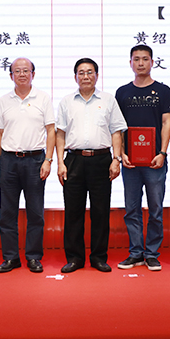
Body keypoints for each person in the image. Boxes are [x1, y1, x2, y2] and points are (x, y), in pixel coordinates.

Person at [56, 58, 127, 273]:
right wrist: (60, 162)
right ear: (75, 76)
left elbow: (116, 131)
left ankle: (98, 257)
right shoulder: (66, 101)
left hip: (101, 160)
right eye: (81, 72)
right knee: (73, 212)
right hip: (74, 160)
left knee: (101, 212)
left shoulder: (108, 100)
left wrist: (116, 159)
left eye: (89, 72)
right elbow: (60, 134)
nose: (85, 76)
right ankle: (75, 258)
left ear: (97, 75)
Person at [0, 58, 55, 273]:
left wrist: (48, 160)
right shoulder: (4, 100)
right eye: (17, 71)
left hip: (35, 160)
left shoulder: (43, 98)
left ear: (33, 74)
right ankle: (10, 258)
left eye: (26, 71)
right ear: (11, 75)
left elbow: (51, 130)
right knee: (7, 213)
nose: (22, 74)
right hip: (9, 160)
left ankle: (33, 257)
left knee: (35, 212)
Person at [115, 45, 170, 271]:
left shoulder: (163, 91)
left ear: (152, 62)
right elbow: (118, 127)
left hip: (155, 161)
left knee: (155, 210)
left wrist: (162, 152)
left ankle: (151, 254)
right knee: (132, 209)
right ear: (130, 63)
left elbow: (167, 123)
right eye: (136, 59)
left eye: (145, 59)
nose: (140, 63)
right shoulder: (122, 92)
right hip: (130, 162)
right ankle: (135, 252)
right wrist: (121, 153)